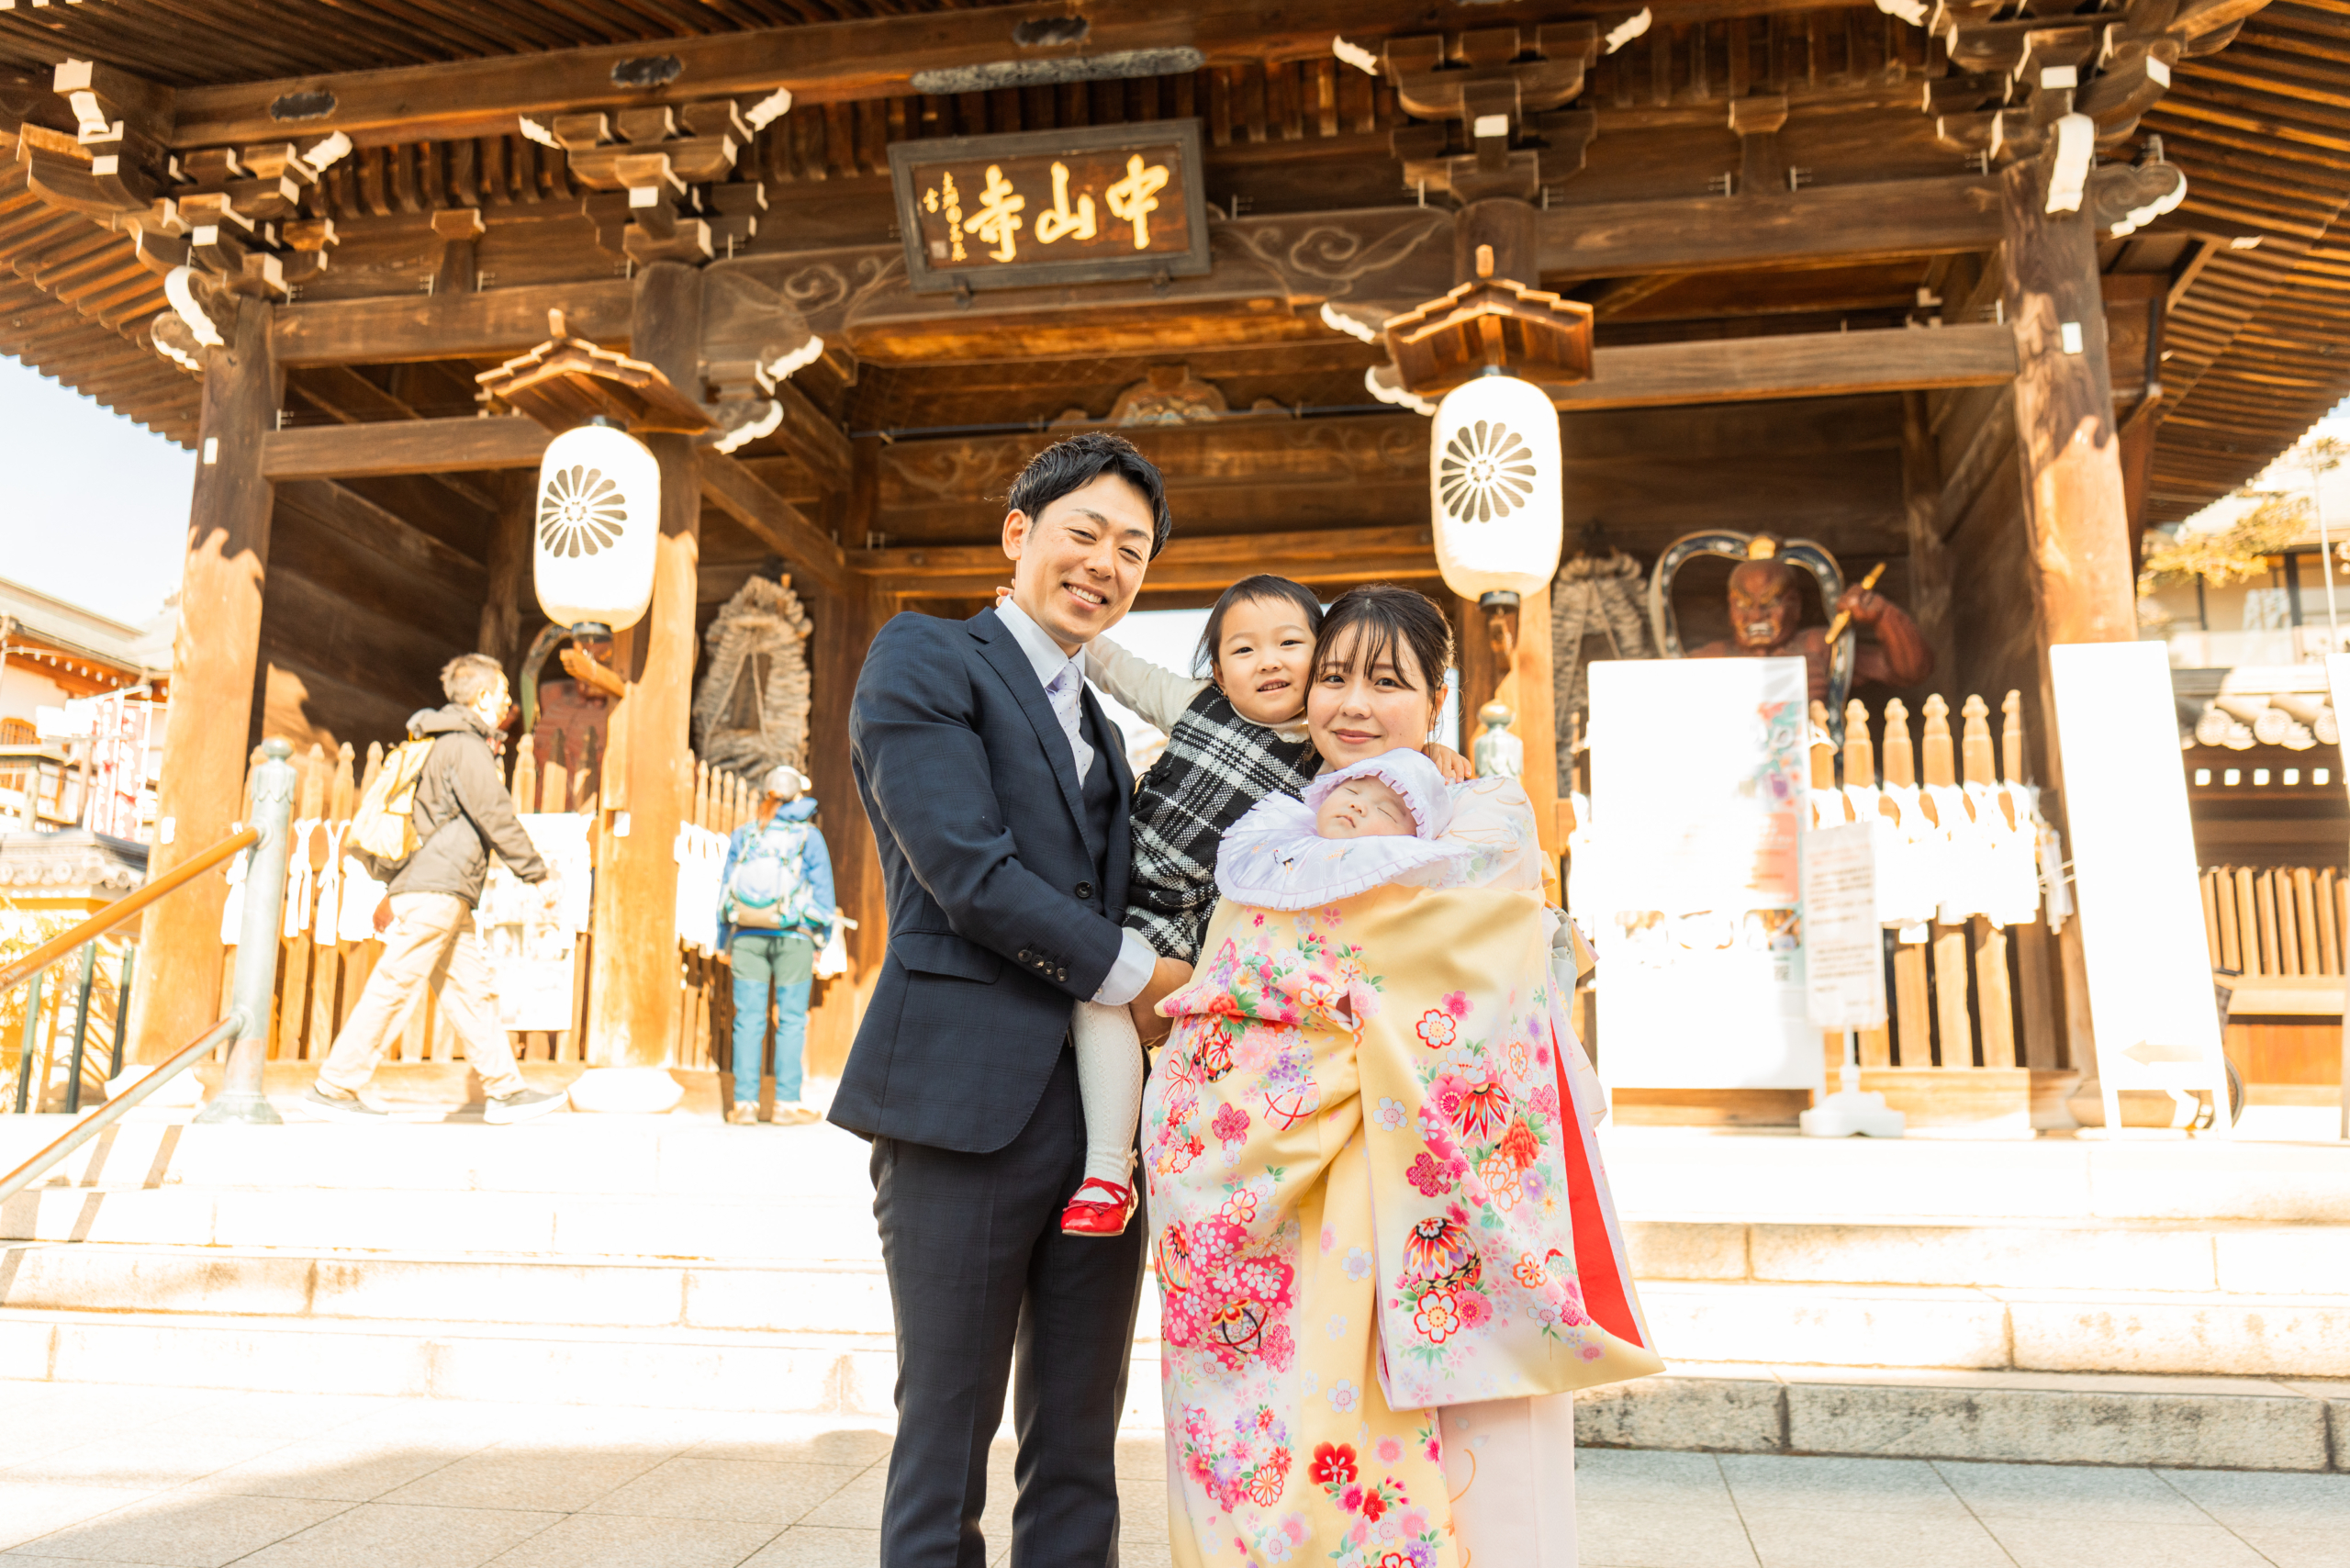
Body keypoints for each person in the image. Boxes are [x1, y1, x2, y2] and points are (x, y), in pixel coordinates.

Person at [1143, 583, 1662, 1568]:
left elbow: (1473, 964)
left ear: (1438, 695)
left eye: (1386, 681)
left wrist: (1344, 1012)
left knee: (1487, 1468)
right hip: (1291, 1193)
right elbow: (1227, 999)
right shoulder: (1273, 832)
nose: (1350, 704)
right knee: (1291, 1434)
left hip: (1447, 1196)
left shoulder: (1483, 814)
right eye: (1332, 676)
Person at [832, 431, 1189, 1567]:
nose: (1105, 563)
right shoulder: (925, 656)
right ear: (1017, 534)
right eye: (1083, 532)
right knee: (946, 1432)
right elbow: (966, 868)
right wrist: (1139, 977)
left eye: (1132, 549)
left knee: (1081, 1438)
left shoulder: (1108, 728)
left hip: (1103, 1129)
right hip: (958, 1098)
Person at [1058, 579, 1470, 1239]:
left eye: (1291, 645)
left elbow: (1388, 780)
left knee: (1103, 992)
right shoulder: (1196, 706)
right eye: (1244, 650)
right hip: (1134, 891)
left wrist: (1428, 754)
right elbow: (1122, 672)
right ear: (1219, 672)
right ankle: (1108, 1163)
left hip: (1196, 929)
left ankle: (1107, 1171)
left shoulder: (1326, 761)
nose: (1270, 661)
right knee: (1097, 996)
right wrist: (1069, 633)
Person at [305, 654, 568, 1126]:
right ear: (484, 697)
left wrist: (395, 888)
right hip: (441, 890)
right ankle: (335, 1085)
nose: (509, 704)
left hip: (443, 889)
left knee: (472, 991)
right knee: (396, 983)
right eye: (505, 695)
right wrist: (537, 872)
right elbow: (495, 813)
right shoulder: (465, 747)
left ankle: (505, 1091)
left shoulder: (434, 743)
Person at [718, 762, 835, 1126]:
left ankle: (744, 1105)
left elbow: (725, 889)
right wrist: (821, 938)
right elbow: (823, 893)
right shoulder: (808, 836)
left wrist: (724, 941)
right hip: (794, 938)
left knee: (747, 1021)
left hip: (748, 937)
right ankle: (785, 1104)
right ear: (798, 795)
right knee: (791, 1021)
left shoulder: (746, 834)